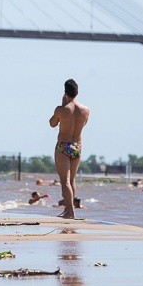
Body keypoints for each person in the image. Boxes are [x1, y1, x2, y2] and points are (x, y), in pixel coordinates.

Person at [49, 78, 90, 219]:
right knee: (72, 180)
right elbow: (83, 124)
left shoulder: (61, 109)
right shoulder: (85, 110)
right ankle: (70, 211)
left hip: (63, 146)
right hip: (77, 146)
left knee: (64, 181)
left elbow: (52, 123)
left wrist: (63, 104)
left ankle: (70, 212)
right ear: (77, 92)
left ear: (65, 92)